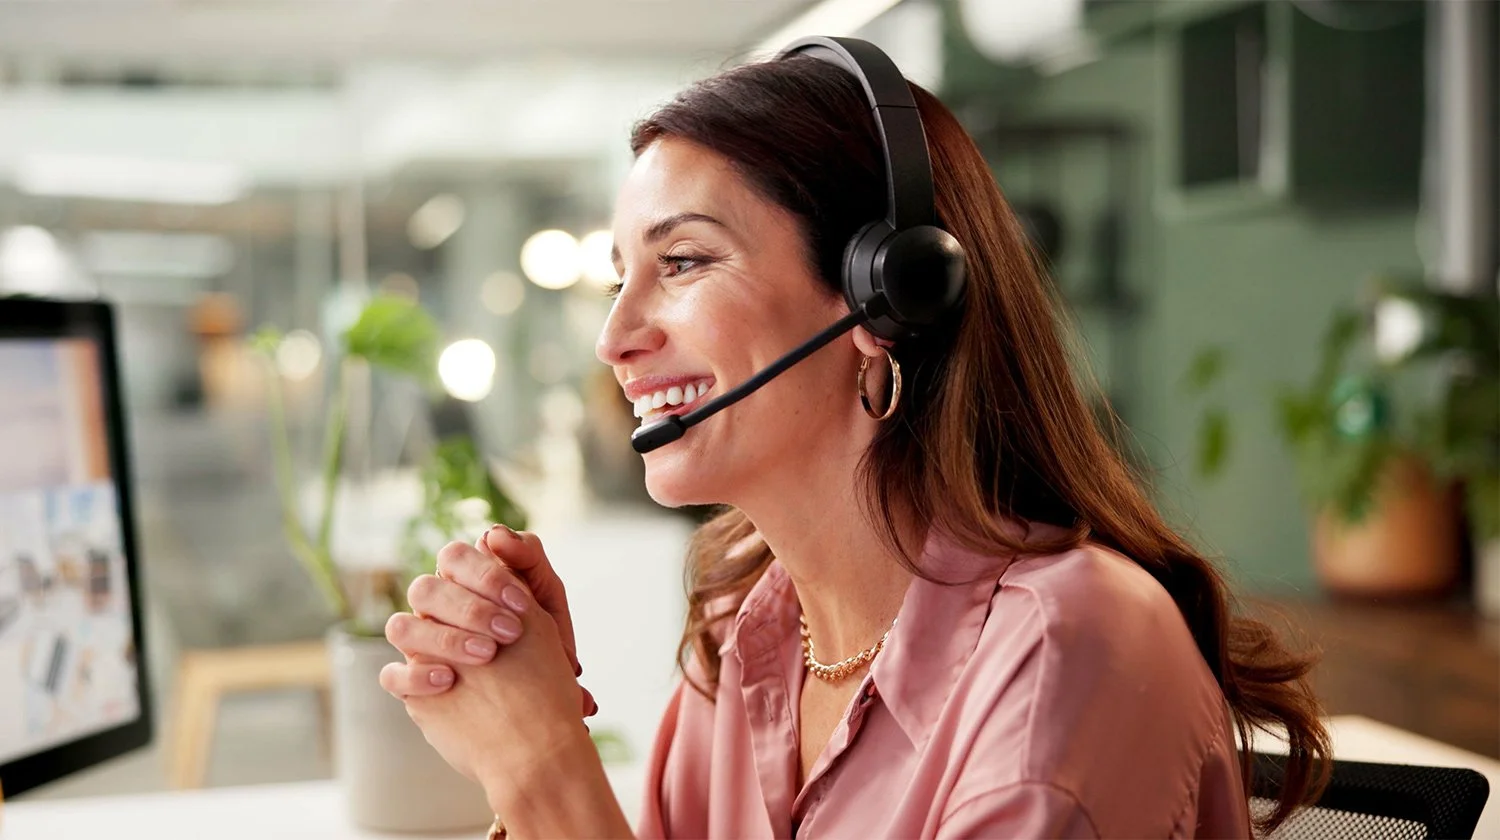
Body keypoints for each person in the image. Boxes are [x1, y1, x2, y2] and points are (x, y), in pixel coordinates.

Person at [378, 39, 1330, 839]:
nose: (615, 335)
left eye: (683, 261)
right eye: (622, 273)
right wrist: (523, 718)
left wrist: (542, 767)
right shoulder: (742, 634)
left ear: (890, 297)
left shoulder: (1064, 655)